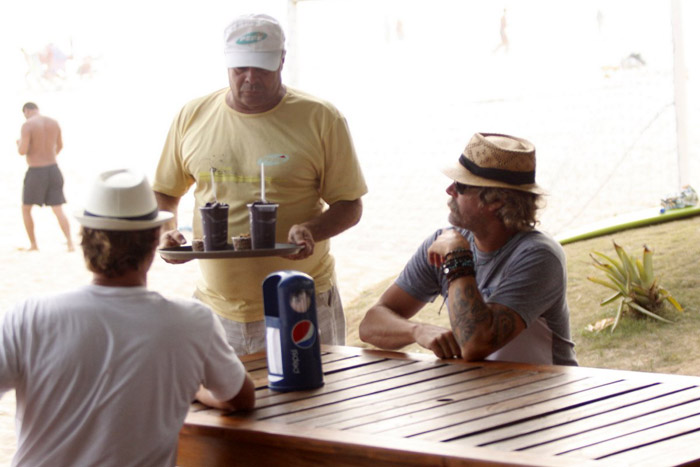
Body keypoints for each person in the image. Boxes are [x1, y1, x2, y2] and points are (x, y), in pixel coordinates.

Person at [0, 169, 255, 466]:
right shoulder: (193, 323)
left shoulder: (29, 317)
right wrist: (196, 388)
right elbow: (239, 397)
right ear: (152, 243)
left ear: (86, 242)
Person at [154, 14, 367, 355]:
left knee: (312, 405)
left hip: (300, 301)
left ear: (282, 60)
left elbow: (349, 204)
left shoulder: (321, 118)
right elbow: (165, 191)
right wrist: (166, 231)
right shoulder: (192, 116)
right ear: (226, 64)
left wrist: (311, 229)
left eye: (263, 67)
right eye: (240, 68)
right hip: (216, 309)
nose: (251, 78)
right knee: (222, 408)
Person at [359, 133, 577, 366]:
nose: (449, 190)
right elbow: (370, 324)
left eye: (461, 185)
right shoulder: (444, 241)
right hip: (481, 392)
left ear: (496, 201)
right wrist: (417, 331)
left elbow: (475, 344)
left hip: (546, 394)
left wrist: (457, 258)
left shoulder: (539, 256)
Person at [16, 102, 74, 251]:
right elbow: (60, 146)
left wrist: (18, 143)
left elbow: (23, 150)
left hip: (36, 171)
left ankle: (34, 244)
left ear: (27, 111)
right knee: (58, 208)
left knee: (26, 208)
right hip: (53, 169)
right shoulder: (53, 123)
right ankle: (69, 242)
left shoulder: (27, 125)